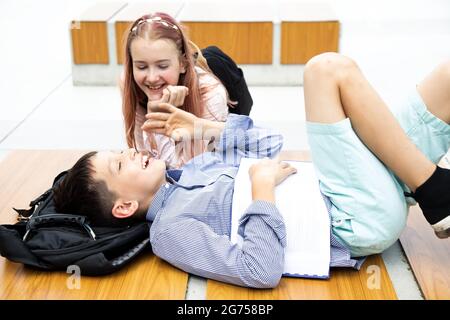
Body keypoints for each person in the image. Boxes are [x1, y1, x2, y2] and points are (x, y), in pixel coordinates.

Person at [53, 53, 450, 288]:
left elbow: (271, 144)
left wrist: (203, 128)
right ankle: (434, 190)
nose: (130, 152)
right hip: (351, 217)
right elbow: (258, 271)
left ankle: (428, 185)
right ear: (123, 207)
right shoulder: (169, 231)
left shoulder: (188, 172)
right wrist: (262, 190)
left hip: (356, 186)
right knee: (324, 70)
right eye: (119, 162)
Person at [120, 12, 230, 169]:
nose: (151, 77)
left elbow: (195, 172)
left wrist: (165, 116)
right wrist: (157, 110)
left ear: (183, 64)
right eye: (141, 66)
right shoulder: (129, 80)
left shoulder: (210, 93)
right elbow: (143, 155)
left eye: (162, 66)